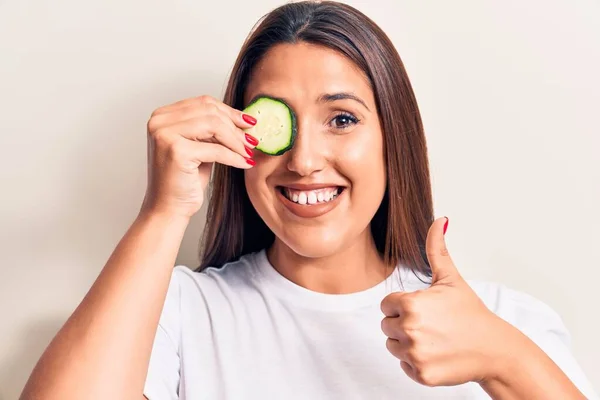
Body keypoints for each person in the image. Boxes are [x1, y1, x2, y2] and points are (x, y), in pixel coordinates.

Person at [19, 2, 598, 399]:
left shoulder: (507, 322)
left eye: (341, 119)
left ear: (393, 139)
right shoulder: (174, 312)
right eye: (278, 124)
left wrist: (504, 359)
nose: (303, 160)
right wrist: (162, 212)